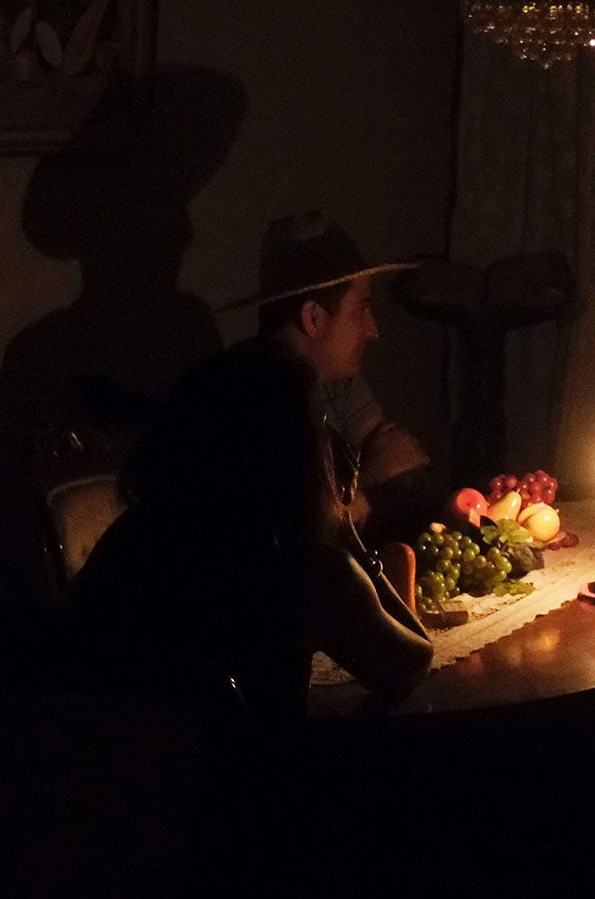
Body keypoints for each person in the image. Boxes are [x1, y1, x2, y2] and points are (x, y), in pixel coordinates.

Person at [69, 335, 432, 729]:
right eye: (320, 426)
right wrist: (345, 529)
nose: (333, 444)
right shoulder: (308, 573)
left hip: (120, 780)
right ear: (295, 452)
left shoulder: (133, 538)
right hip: (257, 784)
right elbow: (410, 664)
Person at [230, 212, 435, 546]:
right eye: (360, 310)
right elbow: (292, 541)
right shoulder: (254, 401)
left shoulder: (336, 380)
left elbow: (399, 460)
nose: (373, 330)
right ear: (313, 317)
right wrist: (367, 485)